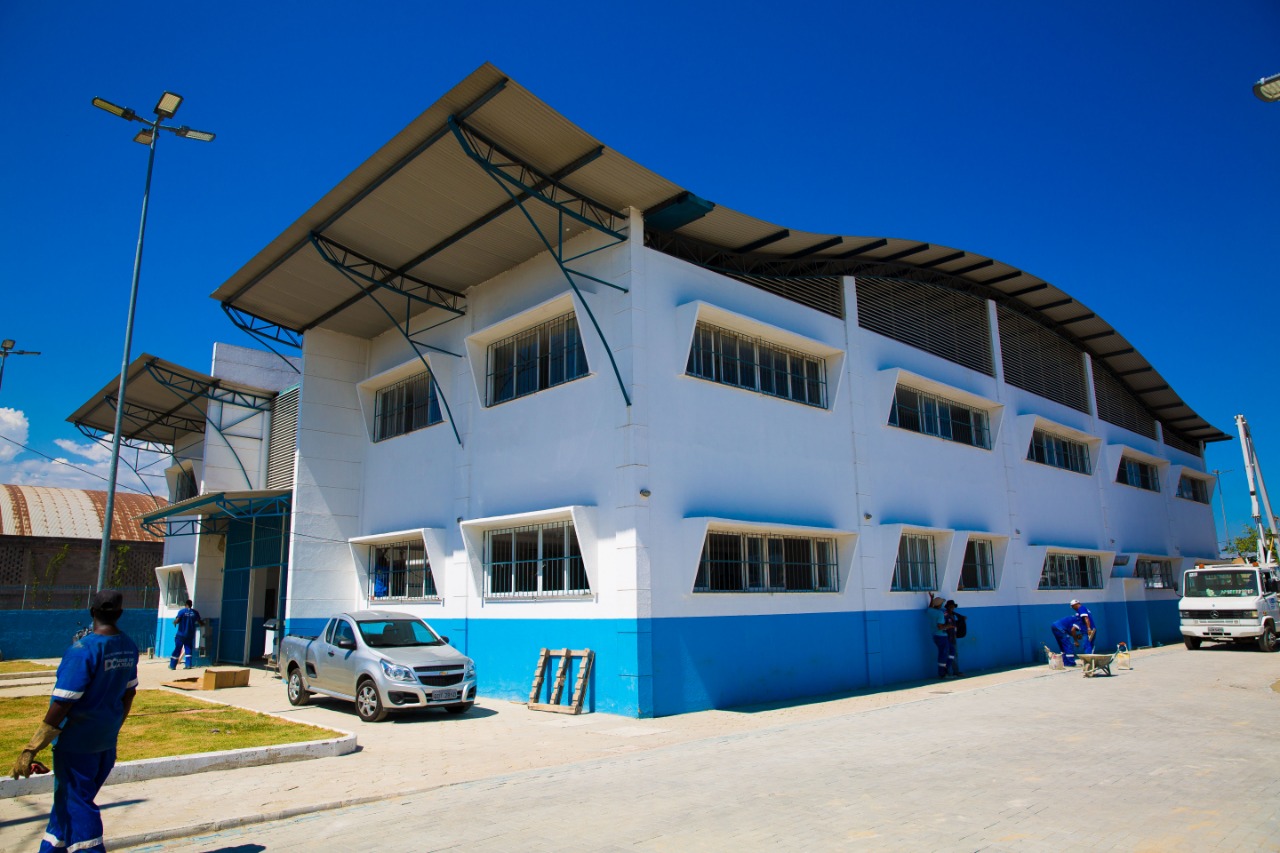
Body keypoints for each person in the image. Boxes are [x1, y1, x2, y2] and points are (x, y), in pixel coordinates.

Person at [10, 589, 139, 853]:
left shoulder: (82, 651)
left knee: (78, 805)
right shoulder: (128, 646)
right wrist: (112, 728)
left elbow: (63, 703)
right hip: (105, 744)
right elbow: (129, 694)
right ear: (120, 613)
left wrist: (31, 748)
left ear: (92, 612)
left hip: (76, 745)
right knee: (65, 806)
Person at [924, 592, 951, 679]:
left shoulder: (930, 611)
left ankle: (943, 671)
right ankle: (942, 673)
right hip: (941, 636)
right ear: (939, 605)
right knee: (944, 653)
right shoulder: (940, 614)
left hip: (935, 636)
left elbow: (930, 607)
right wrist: (948, 626)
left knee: (943, 652)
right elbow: (940, 627)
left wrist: (931, 599)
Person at [170, 598, 202, 670]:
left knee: (177, 649)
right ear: (191, 605)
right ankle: (188, 665)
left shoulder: (182, 611)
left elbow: (177, 620)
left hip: (181, 634)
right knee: (188, 649)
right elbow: (200, 622)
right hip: (190, 635)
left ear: (186, 605)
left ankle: (172, 665)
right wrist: (204, 624)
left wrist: (174, 622)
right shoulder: (195, 612)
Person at [944, 600, 963, 676]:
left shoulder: (953, 615)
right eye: (951, 606)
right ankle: (947, 672)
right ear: (948, 607)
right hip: (947, 638)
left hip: (953, 637)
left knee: (954, 654)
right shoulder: (945, 615)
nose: (952, 608)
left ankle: (956, 671)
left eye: (953, 606)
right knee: (948, 655)